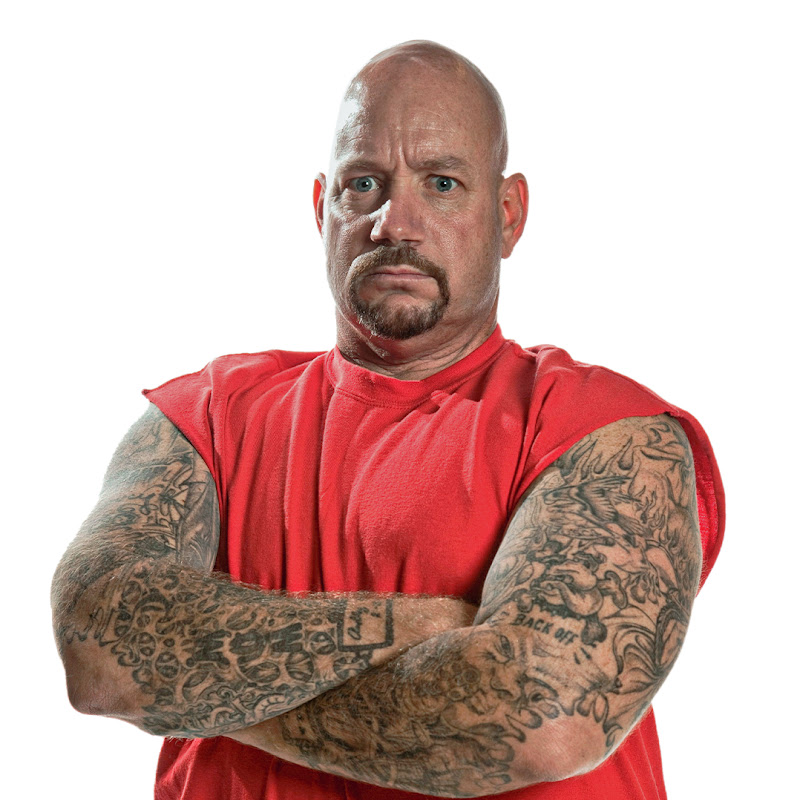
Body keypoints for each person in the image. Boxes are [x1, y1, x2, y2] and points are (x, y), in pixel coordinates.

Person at [51, 40, 724, 799]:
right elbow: (98, 651)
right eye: (364, 184)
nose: (394, 223)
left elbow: (544, 719)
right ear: (321, 208)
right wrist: (429, 630)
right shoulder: (207, 416)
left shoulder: (606, 430)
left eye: (442, 184)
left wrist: (203, 690)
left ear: (507, 215)